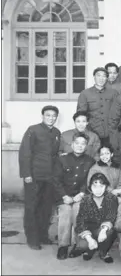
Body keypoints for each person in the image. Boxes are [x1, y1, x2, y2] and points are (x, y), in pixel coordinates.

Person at [19, 105, 61, 250]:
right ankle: (32, 239)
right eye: (48, 115)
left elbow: (55, 156)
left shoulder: (56, 132)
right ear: (42, 116)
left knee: (46, 208)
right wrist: (26, 174)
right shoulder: (33, 130)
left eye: (54, 115)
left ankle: (43, 235)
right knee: (32, 207)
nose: (51, 118)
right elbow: (25, 153)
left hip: (50, 177)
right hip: (35, 176)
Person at [53, 133, 95, 260]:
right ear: (72, 145)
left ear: (86, 146)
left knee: (78, 210)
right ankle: (63, 246)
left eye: (83, 144)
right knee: (66, 211)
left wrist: (82, 193)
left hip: (80, 196)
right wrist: (64, 196)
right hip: (63, 196)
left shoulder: (90, 161)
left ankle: (79, 244)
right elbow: (56, 180)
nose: (80, 146)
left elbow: (90, 180)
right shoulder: (62, 159)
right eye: (77, 143)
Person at [73, 173, 119, 263]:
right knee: (82, 245)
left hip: (103, 229)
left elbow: (111, 216)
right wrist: (89, 239)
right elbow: (80, 221)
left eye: (101, 186)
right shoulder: (85, 200)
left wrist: (103, 230)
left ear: (106, 187)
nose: (98, 190)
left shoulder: (112, 198)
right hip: (89, 230)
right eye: (95, 186)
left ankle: (103, 252)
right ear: (90, 187)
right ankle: (90, 249)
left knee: (109, 232)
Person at [77, 67, 118, 146]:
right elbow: (80, 115)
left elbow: (117, 112)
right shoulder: (85, 94)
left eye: (104, 76)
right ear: (94, 77)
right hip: (91, 132)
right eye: (98, 75)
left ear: (107, 78)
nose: (101, 78)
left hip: (109, 133)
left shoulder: (113, 93)